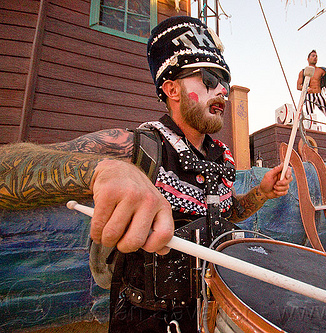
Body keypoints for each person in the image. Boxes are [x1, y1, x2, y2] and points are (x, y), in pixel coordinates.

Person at [0, 16, 292, 333]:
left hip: (213, 314)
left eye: (223, 80)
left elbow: (228, 212)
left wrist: (262, 191)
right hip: (144, 320)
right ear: (172, 89)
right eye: (209, 78)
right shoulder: (138, 147)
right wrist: (100, 171)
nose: (222, 90)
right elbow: (6, 165)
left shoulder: (222, 157)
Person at [297, 50, 326, 133]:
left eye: (316, 56)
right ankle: (311, 130)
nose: (315, 57)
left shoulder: (321, 70)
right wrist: (306, 88)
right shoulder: (303, 72)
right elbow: (298, 86)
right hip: (309, 95)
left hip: (318, 94)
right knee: (310, 115)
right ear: (308, 59)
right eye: (313, 56)